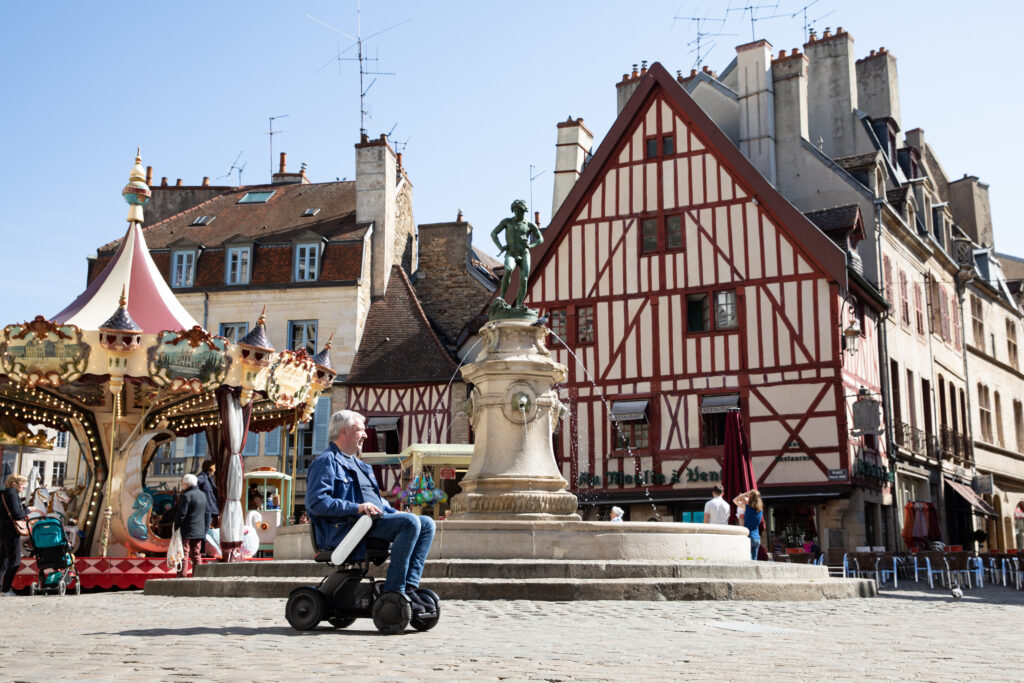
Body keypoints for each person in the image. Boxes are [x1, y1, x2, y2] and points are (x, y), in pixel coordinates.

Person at [306, 410, 435, 614]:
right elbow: (317, 502)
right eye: (360, 430)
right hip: (348, 530)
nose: (366, 435)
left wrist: (392, 511)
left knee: (427, 523)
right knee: (410, 522)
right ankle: (394, 590)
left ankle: (409, 588)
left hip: (369, 525)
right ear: (344, 432)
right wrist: (356, 507)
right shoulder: (326, 462)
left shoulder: (361, 466)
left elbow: (377, 501)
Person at [491, 199, 543, 308]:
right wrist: (500, 247)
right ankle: (502, 297)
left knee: (524, 279)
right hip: (511, 252)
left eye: (520, 211)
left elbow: (540, 239)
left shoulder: (529, 224)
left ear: (524, 211)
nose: (518, 213)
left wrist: (531, 245)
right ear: (513, 211)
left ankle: (519, 305)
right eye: (516, 211)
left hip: (524, 253)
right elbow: (493, 233)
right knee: (508, 269)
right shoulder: (507, 222)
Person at [0, 474, 29, 597]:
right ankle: (6, 589)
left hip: (2, 529)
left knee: (3, 560)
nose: (24, 487)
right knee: (15, 560)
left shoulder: (4, 493)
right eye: (22, 484)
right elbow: (17, 515)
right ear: (14, 484)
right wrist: (28, 510)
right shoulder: (12, 493)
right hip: (10, 531)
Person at [174, 473, 207, 578]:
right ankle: (198, 576)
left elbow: (181, 514)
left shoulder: (186, 496)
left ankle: (181, 577)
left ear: (186, 484)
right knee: (196, 554)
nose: (182, 486)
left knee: (184, 554)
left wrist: (176, 527)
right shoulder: (202, 495)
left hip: (187, 530)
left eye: (183, 484)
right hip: (199, 530)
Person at [733, 489, 763, 560]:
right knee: (754, 560)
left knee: (748, 560)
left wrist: (746, 493)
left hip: (749, 536)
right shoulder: (760, 510)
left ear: (750, 498)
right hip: (757, 538)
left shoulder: (747, 508)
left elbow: (735, 500)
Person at [195, 459, 219, 530]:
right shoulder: (203, 477)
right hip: (205, 509)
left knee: (206, 530)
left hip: (208, 508)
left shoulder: (209, 478)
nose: (215, 470)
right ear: (210, 467)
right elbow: (194, 483)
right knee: (205, 530)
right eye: (214, 468)